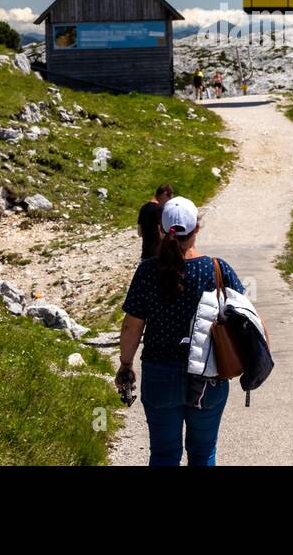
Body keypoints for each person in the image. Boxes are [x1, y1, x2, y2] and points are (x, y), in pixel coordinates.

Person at [117, 196, 246, 466]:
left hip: (159, 374)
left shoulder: (148, 271)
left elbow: (132, 326)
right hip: (208, 376)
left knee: (164, 455)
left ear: (161, 230)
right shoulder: (218, 269)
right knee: (203, 453)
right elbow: (245, 317)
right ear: (197, 228)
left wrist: (126, 365)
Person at [136, 184, 172, 259]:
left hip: (145, 253)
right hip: (157, 254)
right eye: (168, 198)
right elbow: (161, 234)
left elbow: (139, 232)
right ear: (164, 194)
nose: (167, 202)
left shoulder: (143, 208)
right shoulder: (159, 209)